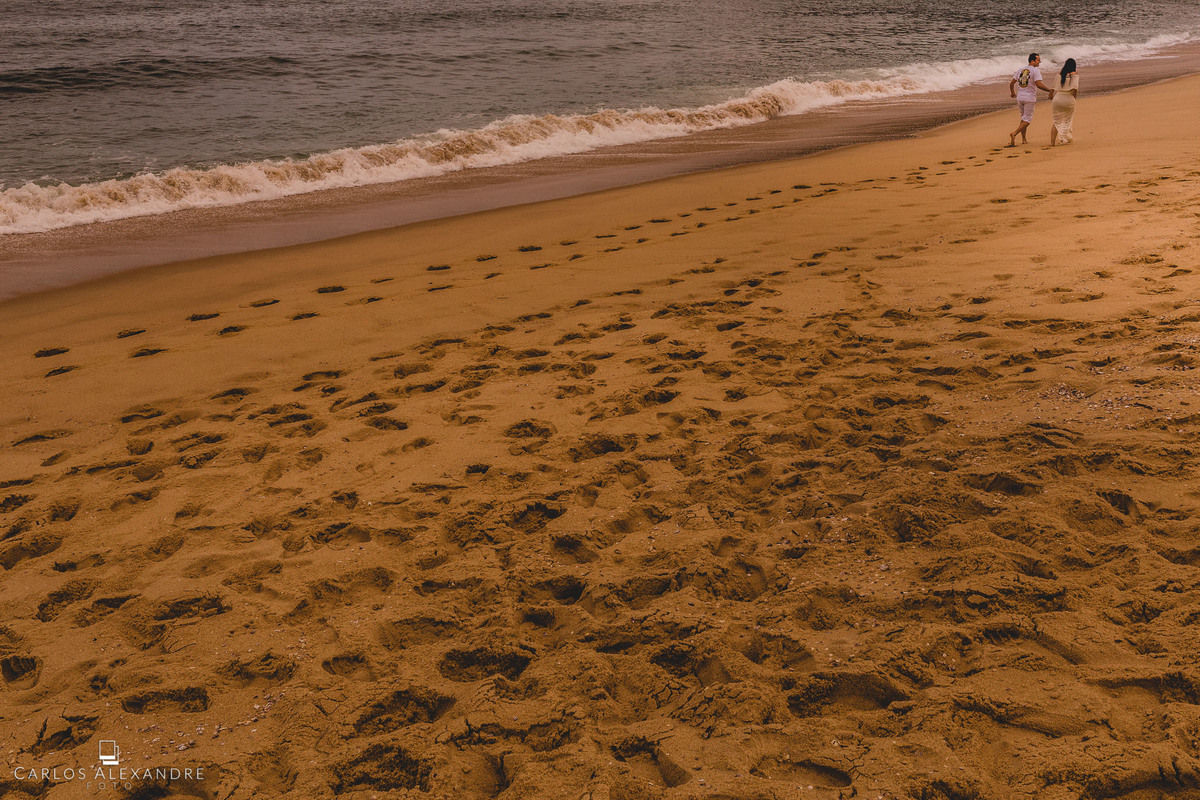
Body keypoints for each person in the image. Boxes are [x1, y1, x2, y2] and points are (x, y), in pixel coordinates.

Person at [1008, 53, 1054, 147]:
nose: (1039, 62)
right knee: (1027, 120)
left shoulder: (1020, 70)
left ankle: (1024, 139)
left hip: (1020, 97)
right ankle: (1014, 133)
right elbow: (1039, 84)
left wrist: (1013, 93)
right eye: (1038, 60)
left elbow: (1011, 84)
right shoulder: (1035, 70)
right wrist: (1049, 90)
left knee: (1023, 118)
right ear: (1032, 61)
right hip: (1029, 98)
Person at [1051, 58, 1080, 146]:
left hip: (1057, 99)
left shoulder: (1060, 74)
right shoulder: (1075, 75)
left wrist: (1051, 95)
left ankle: (1052, 143)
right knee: (1068, 120)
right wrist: (1074, 98)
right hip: (1068, 99)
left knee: (1056, 121)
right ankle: (1066, 138)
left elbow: (1052, 88)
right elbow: (1074, 89)